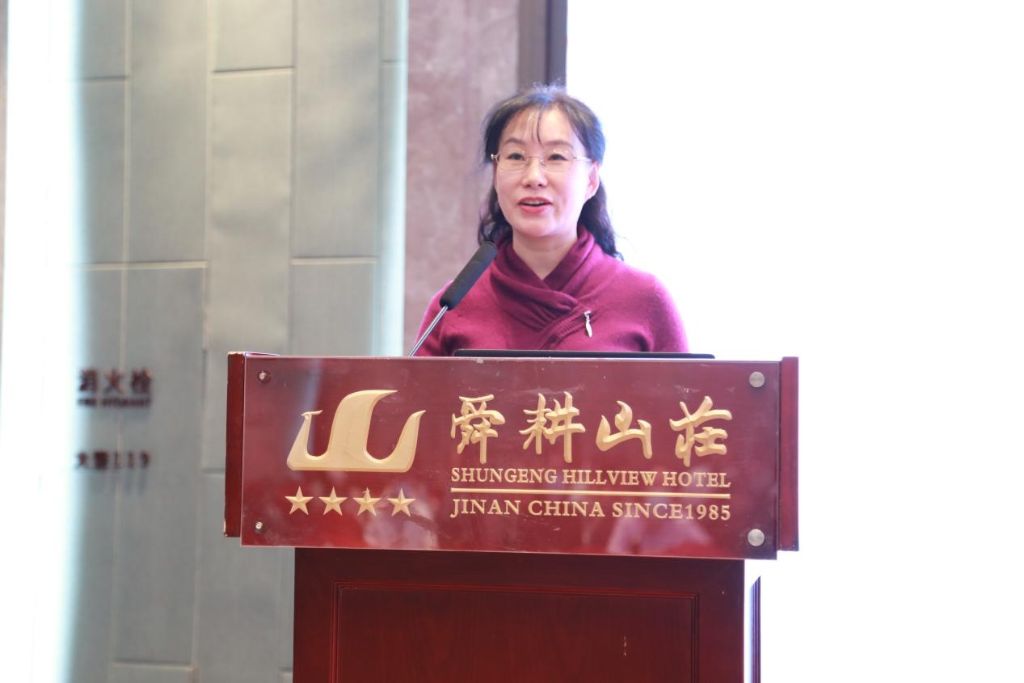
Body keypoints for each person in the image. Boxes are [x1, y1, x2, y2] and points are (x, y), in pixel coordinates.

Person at [414, 85, 687, 356]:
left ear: (591, 179)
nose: (533, 177)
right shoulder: (452, 307)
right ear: (496, 174)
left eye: (556, 157)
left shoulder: (645, 299)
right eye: (516, 156)